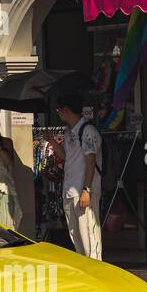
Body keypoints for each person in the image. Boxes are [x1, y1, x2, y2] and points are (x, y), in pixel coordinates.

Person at [52, 91, 103, 260]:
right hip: (70, 190)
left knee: (89, 234)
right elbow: (67, 156)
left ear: (66, 110)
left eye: (59, 109)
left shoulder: (87, 130)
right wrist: (52, 142)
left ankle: (97, 270)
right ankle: (86, 269)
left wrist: (86, 189)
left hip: (83, 189)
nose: (58, 113)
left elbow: (90, 161)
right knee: (76, 236)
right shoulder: (68, 132)